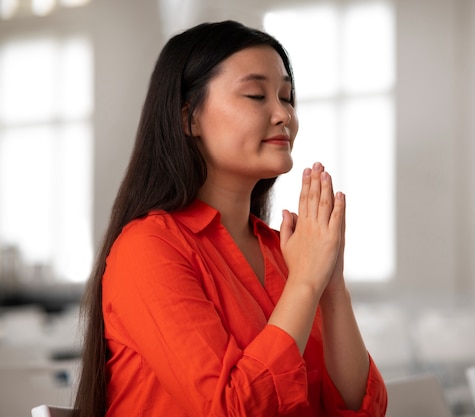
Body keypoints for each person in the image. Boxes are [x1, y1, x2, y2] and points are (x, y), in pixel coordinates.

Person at [73, 20, 388, 417]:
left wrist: (331, 286)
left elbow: (355, 407)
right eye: (256, 95)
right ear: (189, 118)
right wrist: (306, 282)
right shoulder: (148, 248)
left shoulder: (282, 251)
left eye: (287, 97)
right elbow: (229, 409)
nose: (283, 115)